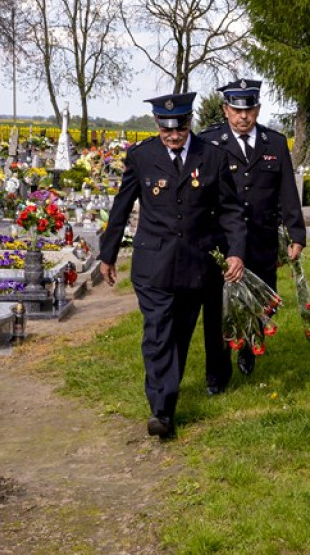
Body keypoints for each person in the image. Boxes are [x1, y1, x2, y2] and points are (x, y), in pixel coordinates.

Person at [99, 92, 245, 439]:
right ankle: (161, 410)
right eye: (167, 130)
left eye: (180, 129)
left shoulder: (212, 157)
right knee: (157, 333)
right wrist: (108, 253)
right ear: (156, 124)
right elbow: (121, 207)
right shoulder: (142, 156)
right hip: (154, 264)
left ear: (190, 122)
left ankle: (166, 395)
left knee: (178, 334)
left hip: (196, 264)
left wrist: (236, 252)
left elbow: (231, 210)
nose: (174, 136)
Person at [199, 78, 306, 378]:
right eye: (236, 111)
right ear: (226, 110)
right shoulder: (209, 142)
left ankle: (248, 347)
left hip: (261, 239)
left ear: (257, 110)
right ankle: (217, 373)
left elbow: (287, 192)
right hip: (222, 241)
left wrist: (296, 234)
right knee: (218, 308)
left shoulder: (275, 143)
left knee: (259, 303)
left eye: (249, 110)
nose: (243, 117)